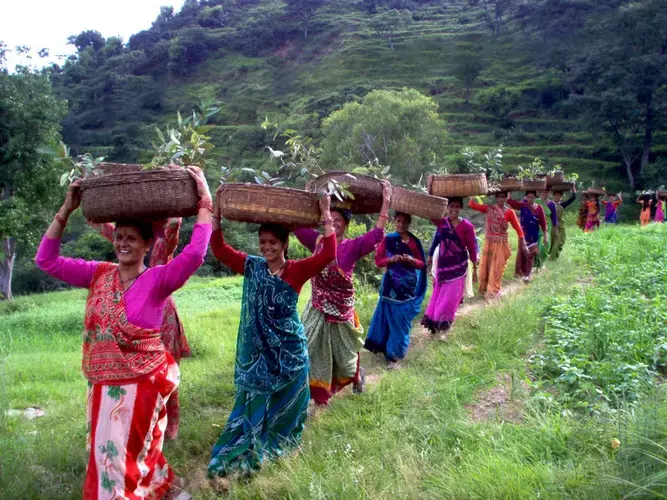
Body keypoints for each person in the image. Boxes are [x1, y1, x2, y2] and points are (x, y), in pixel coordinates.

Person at [35, 166, 212, 500]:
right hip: (103, 386)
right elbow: (47, 261)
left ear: (147, 244)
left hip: (141, 385)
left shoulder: (158, 280)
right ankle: (161, 485)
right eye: (118, 237)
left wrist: (205, 202)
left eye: (131, 237)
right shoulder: (98, 274)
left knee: (116, 463)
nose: (122, 243)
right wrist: (65, 210)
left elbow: (195, 254)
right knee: (110, 453)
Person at [207, 189, 336, 478]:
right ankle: (252, 439)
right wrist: (216, 214)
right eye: (263, 242)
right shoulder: (252, 267)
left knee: (293, 401)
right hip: (259, 355)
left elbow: (328, 253)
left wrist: (326, 213)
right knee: (257, 398)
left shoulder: (296, 271)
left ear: (285, 244)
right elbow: (219, 249)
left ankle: (284, 441)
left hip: (290, 349)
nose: (267, 247)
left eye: (273, 242)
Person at [87, 217, 189, 441]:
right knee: (131, 370)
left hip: (161, 315)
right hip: (130, 310)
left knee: (166, 369)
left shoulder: (161, 240)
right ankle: (129, 419)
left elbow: (173, 227)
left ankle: (171, 422)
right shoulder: (129, 235)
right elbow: (102, 226)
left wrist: (169, 216)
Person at [294, 182, 392, 406]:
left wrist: (385, 203)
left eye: (338, 220)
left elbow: (377, 234)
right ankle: (316, 397)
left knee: (345, 358)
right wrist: (309, 199)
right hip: (317, 308)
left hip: (341, 311)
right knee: (308, 348)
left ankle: (357, 376)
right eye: (330, 219)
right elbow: (297, 228)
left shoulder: (353, 246)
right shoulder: (317, 241)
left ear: (346, 225)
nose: (334, 224)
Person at [364, 212, 426, 369]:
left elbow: (421, 264)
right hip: (390, 286)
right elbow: (378, 260)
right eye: (398, 221)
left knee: (401, 321)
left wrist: (411, 260)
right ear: (394, 221)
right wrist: (390, 260)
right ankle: (390, 353)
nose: (401, 224)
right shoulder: (389, 239)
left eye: (404, 222)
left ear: (409, 223)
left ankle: (396, 353)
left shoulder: (414, 242)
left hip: (407, 288)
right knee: (389, 319)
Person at [421, 197, 477, 339]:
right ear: (447, 208)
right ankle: (436, 323)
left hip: (458, 267)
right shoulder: (442, 223)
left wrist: (475, 266)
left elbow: (471, 247)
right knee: (440, 295)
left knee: (451, 298)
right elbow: (436, 237)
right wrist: (429, 255)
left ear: (461, 208)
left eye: (457, 206)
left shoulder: (467, 226)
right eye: (451, 206)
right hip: (443, 265)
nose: (454, 209)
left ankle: (444, 326)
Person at [469, 192, 528, 300]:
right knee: (487, 266)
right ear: (496, 197)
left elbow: (518, 228)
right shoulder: (490, 209)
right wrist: (475, 194)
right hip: (489, 243)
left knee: (497, 267)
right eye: (499, 196)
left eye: (503, 197)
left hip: (501, 243)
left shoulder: (509, 212)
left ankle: (493, 291)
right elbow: (472, 205)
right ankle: (485, 288)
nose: (501, 199)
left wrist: (523, 241)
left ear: (506, 198)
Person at [507, 191, 548, 282]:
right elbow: (510, 202)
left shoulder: (539, 208)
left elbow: (543, 223)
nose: (530, 199)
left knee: (530, 254)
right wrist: (509, 193)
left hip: (534, 235)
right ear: (526, 197)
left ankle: (527, 274)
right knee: (523, 253)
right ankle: (520, 272)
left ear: (535, 198)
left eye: (532, 197)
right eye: (528, 197)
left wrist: (545, 236)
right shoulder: (523, 205)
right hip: (523, 234)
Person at [548, 187, 577, 261]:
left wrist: (573, 190)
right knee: (551, 242)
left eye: (558, 195)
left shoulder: (562, 204)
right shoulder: (549, 204)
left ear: (561, 197)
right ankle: (548, 256)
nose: (557, 197)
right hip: (552, 226)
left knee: (560, 241)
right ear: (552, 196)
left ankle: (553, 258)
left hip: (561, 226)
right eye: (555, 195)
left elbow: (573, 198)